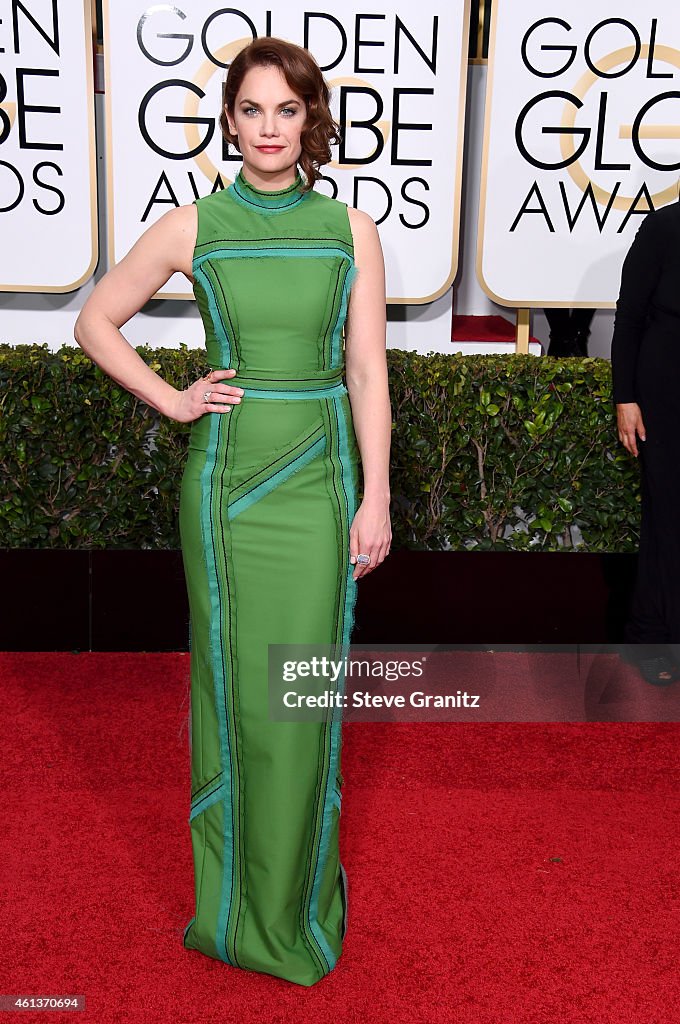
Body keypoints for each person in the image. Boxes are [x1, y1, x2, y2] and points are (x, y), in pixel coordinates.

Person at [74, 36, 392, 986]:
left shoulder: (350, 229)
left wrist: (376, 497)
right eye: (250, 110)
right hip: (226, 492)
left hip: (321, 482)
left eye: (286, 110)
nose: (268, 128)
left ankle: (292, 901)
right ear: (230, 121)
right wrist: (173, 399)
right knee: (235, 695)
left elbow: (367, 370)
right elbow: (96, 319)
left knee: (301, 698)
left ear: (312, 120)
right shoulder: (193, 226)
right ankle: (234, 910)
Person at [611, 199, 680, 684]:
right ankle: (655, 640)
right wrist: (625, 397)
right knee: (668, 516)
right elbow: (629, 316)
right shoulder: (665, 226)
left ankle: (650, 633)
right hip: (665, 394)